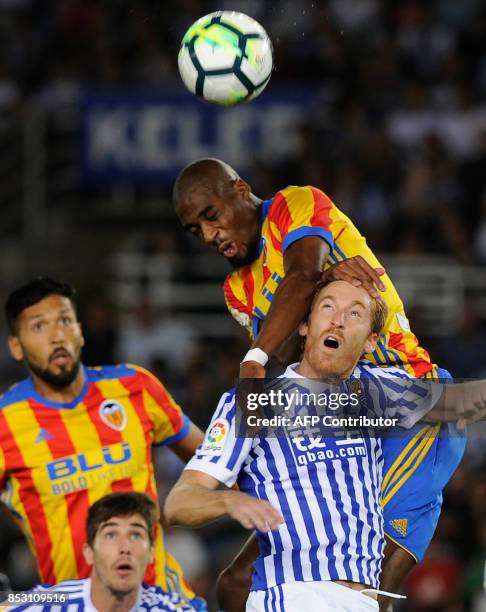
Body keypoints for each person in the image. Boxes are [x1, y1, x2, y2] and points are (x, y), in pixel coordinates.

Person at [173, 158, 467, 610]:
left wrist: (257, 356)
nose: (210, 236)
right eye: (196, 230)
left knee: (368, 579)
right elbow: (292, 349)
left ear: (240, 190)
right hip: (332, 407)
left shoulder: (296, 204)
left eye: (210, 216)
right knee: (236, 581)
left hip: (409, 401)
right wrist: (322, 287)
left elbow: (301, 274)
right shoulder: (237, 290)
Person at [164, 280, 484, 611]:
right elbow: (178, 504)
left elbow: (461, 403)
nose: (338, 320)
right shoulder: (254, 401)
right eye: (327, 307)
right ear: (305, 325)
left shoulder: (377, 391)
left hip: (360, 601)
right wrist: (229, 502)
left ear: (371, 341)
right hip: (292, 595)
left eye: (354, 313)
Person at [0, 277, 205, 610]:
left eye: (64, 321)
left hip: (162, 599)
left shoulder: (133, 387)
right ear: (16, 346)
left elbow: (212, 462)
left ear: (79, 330)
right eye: (39, 327)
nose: (57, 336)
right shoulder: (5, 423)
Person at [7, 492, 198, 611]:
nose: (125, 548)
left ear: (151, 553)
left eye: (136, 535)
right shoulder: (55, 599)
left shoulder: (171, 608)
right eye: (111, 535)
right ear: (89, 552)